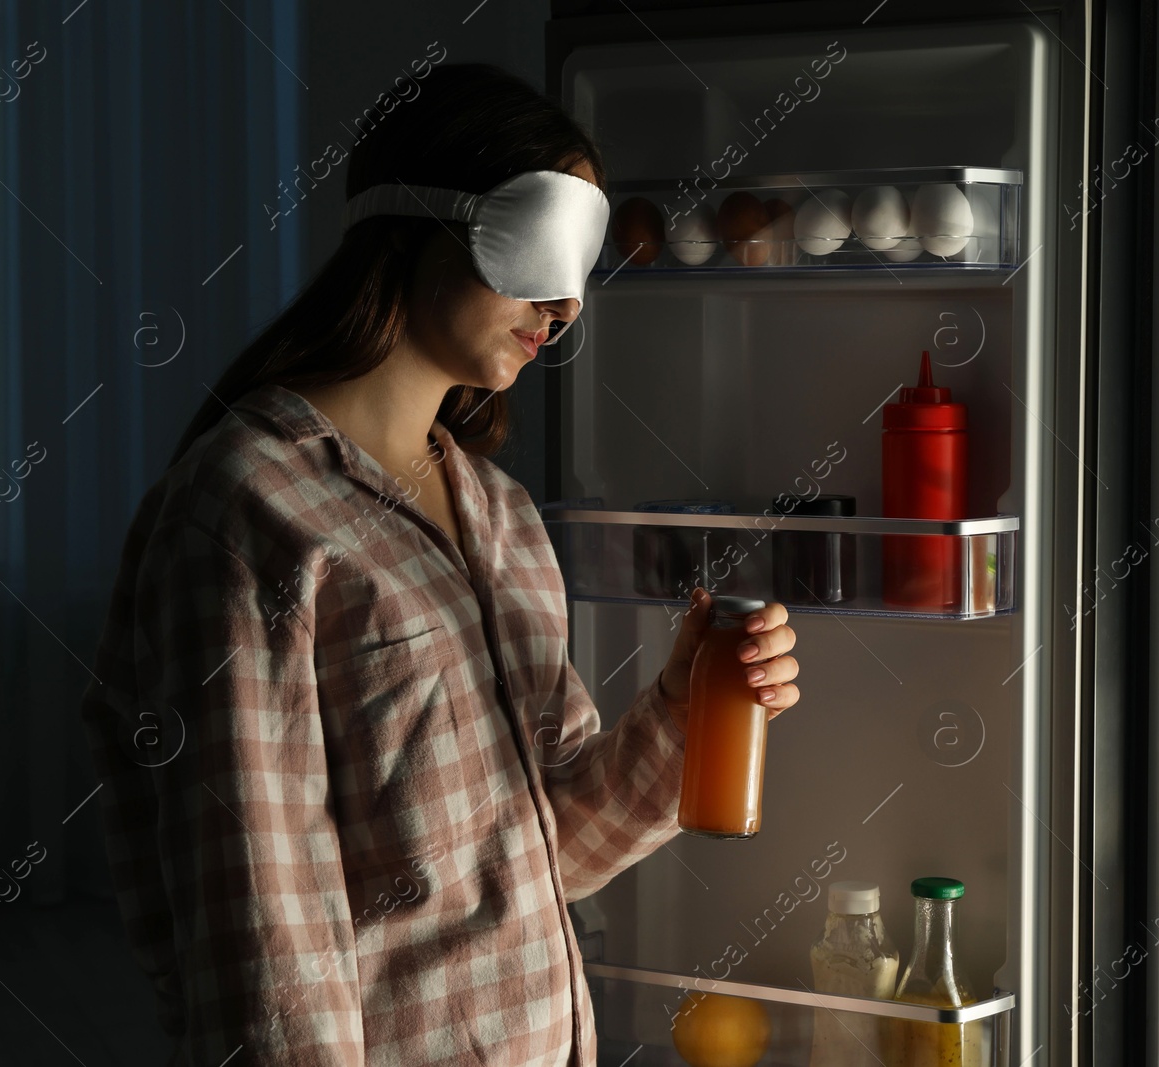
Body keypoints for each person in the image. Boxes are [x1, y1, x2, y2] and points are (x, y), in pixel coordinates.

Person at [78, 63, 801, 1066]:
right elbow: (262, 943)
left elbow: (560, 851)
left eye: (583, 261)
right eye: (546, 242)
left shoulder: (499, 515)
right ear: (418, 220)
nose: (564, 304)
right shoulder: (248, 512)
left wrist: (678, 711)